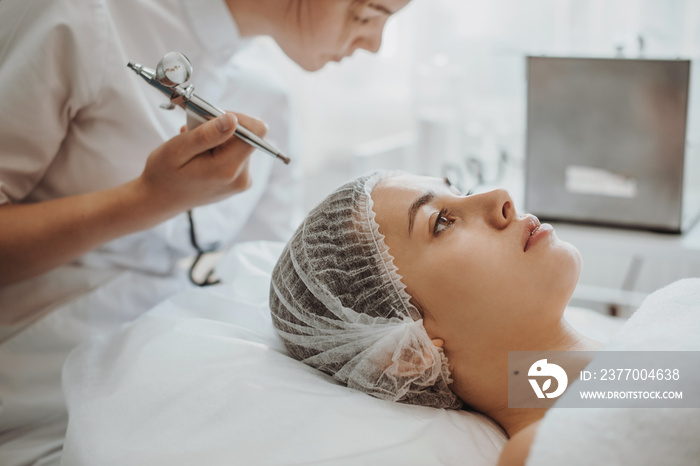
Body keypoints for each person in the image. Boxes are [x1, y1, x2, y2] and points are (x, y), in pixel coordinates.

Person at [0, 0, 410, 463]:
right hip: (32, 395)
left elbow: (267, 282)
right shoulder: (81, 17)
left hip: (156, 385)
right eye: (374, 11)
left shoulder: (269, 94)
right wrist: (147, 200)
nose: (375, 43)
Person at [269, 170, 605, 464]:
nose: (500, 197)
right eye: (442, 223)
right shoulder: (553, 451)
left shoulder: (634, 374)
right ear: (410, 352)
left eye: (464, 191)